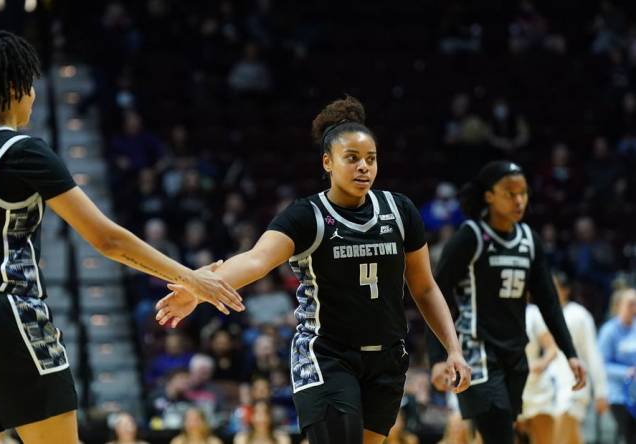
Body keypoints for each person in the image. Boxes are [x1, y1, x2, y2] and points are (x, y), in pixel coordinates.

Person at [0, 31, 243, 444]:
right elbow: (107, 240)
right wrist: (192, 278)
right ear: (13, 88)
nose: (33, 95)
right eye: (29, 85)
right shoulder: (22, 151)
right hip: (6, 312)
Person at [155, 95, 472, 444]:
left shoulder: (400, 211)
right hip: (327, 355)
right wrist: (199, 289)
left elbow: (425, 288)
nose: (363, 167)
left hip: (387, 358)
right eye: (351, 159)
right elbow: (256, 260)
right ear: (328, 162)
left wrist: (453, 349)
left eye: (371, 159)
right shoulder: (307, 215)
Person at [426, 161, 586, 444]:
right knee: (499, 435)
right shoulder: (470, 236)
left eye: (523, 193)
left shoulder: (529, 240)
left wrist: (570, 352)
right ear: (489, 196)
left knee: (498, 434)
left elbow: (549, 301)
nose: (519, 200)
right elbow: (433, 294)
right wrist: (438, 358)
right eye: (510, 193)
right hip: (477, 353)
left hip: (515, 354)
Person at [550, 271, 609, 444]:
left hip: (574, 387)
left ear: (565, 290)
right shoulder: (541, 314)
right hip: (549, 386)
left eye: (554, 288)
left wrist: (601, 392)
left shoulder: (579, 315)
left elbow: (593, 354)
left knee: (556, 438)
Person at [516, 304, 558, 444]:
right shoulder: (495, 308)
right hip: (508, 386)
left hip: (536, 387)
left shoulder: (533, 313)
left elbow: (552, 348)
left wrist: (542, 363)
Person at [598, 288, 636, 443]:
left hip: (635, 394)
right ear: (618, 305)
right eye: (631, 304)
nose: (635, 308)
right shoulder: (609, 330)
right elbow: (601, 365)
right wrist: (626, 371)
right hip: (618, 395)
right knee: (627, 436)